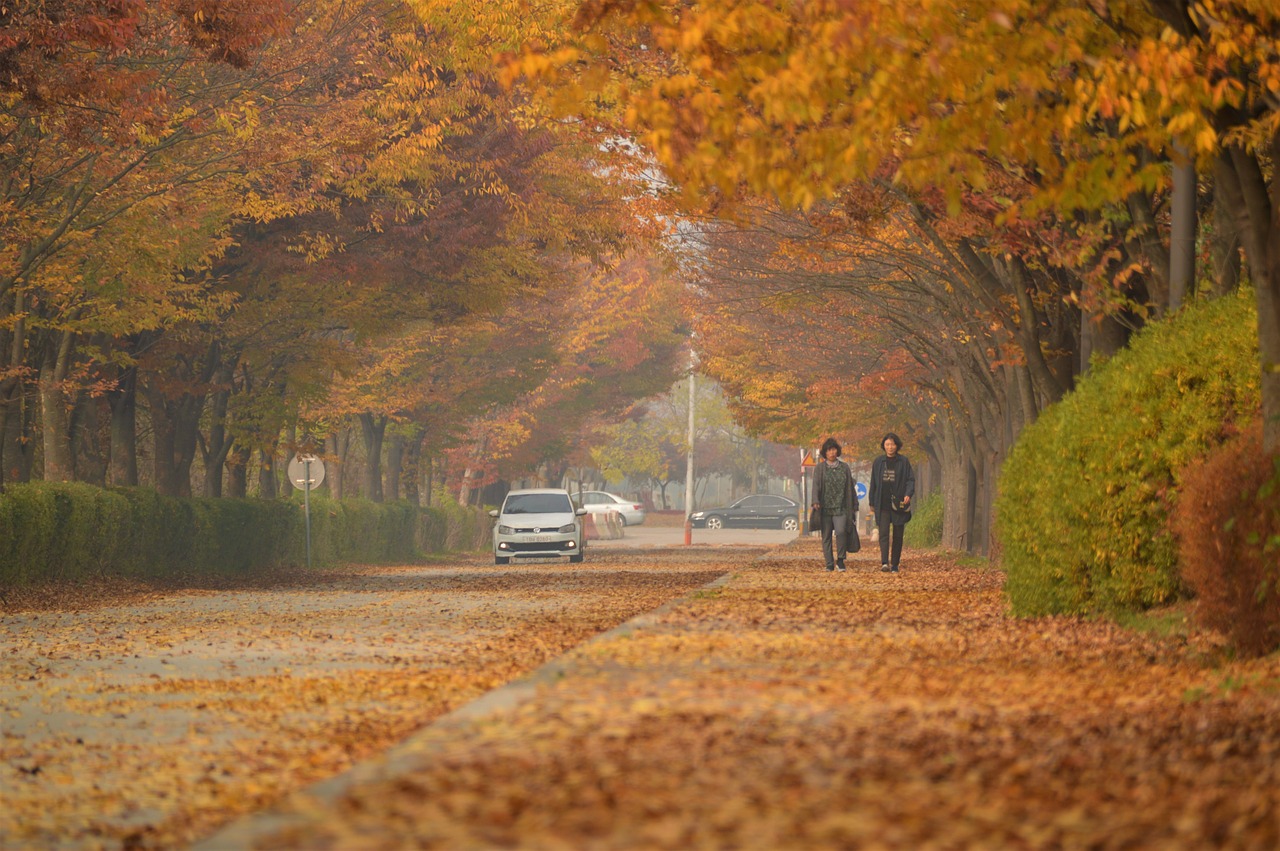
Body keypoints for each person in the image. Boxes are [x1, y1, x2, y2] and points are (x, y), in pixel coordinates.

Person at [809, 437, 858, 572]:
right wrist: (815, 501)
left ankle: (840, 560)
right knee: (826, 536)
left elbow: (850, 487)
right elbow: (816, 486)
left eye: (834, 449)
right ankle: (829, 562)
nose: (832, 452)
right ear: (825, 452)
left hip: (841, 508)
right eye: (829, 450)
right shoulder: (820, 468)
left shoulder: (844, 467)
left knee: (841, 532)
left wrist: (854, 505)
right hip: (824, 509)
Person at [869, 432, 915, 573]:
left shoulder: (904, 461)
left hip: (899, 503)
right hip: (882, 503)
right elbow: (873, 483)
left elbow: (910, 479)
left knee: (898, 535)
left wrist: (908, 494)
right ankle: (884, 562)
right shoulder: (878, 462)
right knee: (883, 533)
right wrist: (871, 502)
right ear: (884, 446)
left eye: (892, 444)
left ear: (897, 446)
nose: (890, 447)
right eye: (887, 444)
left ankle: (895, 564)